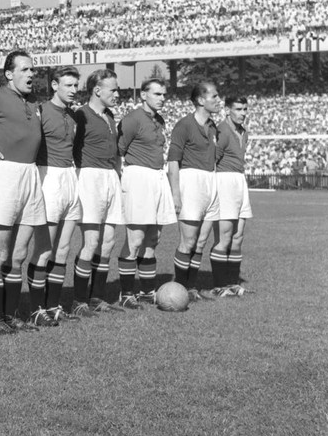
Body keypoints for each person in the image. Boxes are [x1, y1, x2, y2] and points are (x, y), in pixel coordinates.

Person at [0, 51, 46, 333]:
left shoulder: (33, 101)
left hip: (30, 174)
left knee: (19, 254)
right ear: (9, 74)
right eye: (25, 70)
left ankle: (11, 315)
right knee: (0, 254)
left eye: (33, 70)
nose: (31, 74)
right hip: (6, 174)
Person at [27, 66, 82, 323]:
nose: (73, 90)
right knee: (44, 250)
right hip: (48, 177)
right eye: (68, 85)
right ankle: (36, 309)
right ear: (54, 85)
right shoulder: (41, 111)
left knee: (63, 249)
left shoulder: (72, 115)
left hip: (70, 177)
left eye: (75, 85)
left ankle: (53, 305)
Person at [116, 78, 177, 307]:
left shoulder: (159, 120)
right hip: (138, 178)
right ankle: (126, 293)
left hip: (157, 178)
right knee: (136, 238)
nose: (162, 98)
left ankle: (147, 291)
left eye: (163, 94)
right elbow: (118, 151)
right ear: (143, 95)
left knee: (154, 238)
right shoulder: (132, 119)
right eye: (157, 94)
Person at [72, 68, 125, 316]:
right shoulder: (80, 115)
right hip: (90, 177)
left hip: (110, 178)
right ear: (97, 90)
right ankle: (79, 300)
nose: (117, 93)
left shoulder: (110, 116)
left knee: (108, 242)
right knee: (91, 241)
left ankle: (97, 298)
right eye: (113, 89)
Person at [168, 81, 222, 302]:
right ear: (201, 100)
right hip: (191, 181)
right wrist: (176, 194)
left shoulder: (212, 126)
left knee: (200, 242)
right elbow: (172, 162)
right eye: (215, 97)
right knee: (188, 242)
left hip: (211, 182)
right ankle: (179, 290)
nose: (219, 101)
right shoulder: (184, 125)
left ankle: (190, 288)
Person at [209, 95, 253, 297]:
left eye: (245, 109)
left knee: (238, 236)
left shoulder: (243, 131)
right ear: (227, 110)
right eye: (238, 109)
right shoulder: (222, 131)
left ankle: (232, 282)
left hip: (239, 181)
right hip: (224, 180)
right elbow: (212, 161)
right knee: (224, 236)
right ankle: (219, 285)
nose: (242, 113)